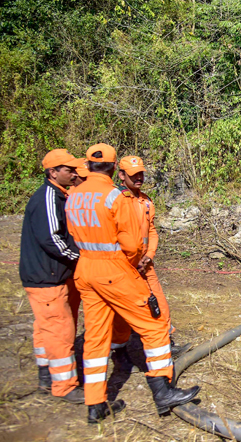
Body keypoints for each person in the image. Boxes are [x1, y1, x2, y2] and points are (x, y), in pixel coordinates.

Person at [65, 143, 199, 423]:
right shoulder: (115, 197)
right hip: (114, 268)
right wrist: (134, 260)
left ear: (88, 166)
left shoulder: (73, 195)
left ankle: (95, 404)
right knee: (154, 325)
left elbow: (73, 233)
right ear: (114, 168)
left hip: (85, 270)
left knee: (96, 338)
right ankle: (163, 392)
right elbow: (130, 243)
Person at [19, 149, 85, 403]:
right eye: (68, 169)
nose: (73, 173)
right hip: (46, 277)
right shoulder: (48, 197)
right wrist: (78, 257)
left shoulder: (59, 195)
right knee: (60, 330)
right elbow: (52, 239)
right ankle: (65, 385)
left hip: (46, 276)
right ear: (52, 172)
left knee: (46, 326)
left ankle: (46, 373)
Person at [114, 156, 188, 356]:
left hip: (145, 264)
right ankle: (119, 348)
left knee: (160, 303)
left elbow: (152, 231)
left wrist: (150, 254)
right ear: (121, 175)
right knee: (122, 308)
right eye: (133, 174)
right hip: (123, 266)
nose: (138, 178)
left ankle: (166, 342)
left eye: (141, 174)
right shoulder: (116, 200)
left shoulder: (145, 200)